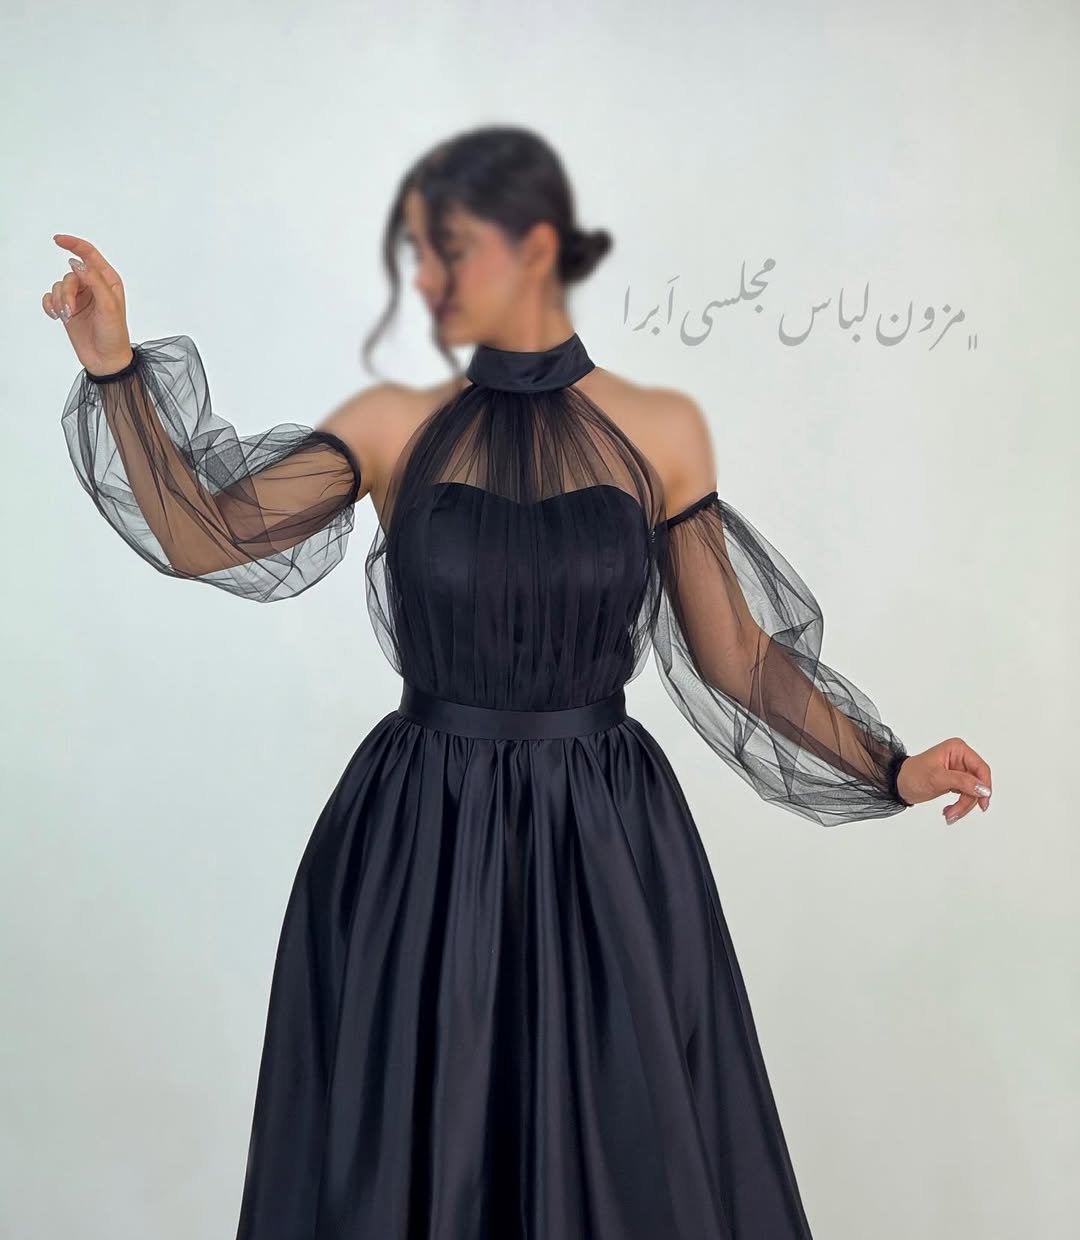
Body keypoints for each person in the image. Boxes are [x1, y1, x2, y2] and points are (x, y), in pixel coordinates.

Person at [46, 124, 991, 1239]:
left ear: (536, 248)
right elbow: (207, 532)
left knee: (622, 1154)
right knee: (414, 1151)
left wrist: (890, 765)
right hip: (419, 840)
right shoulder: (394, 426)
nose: (423, 281)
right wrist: (113, 364)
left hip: (605, 845)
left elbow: (738, 656)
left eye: (446, 251)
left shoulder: (662, 430)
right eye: (415, 255)